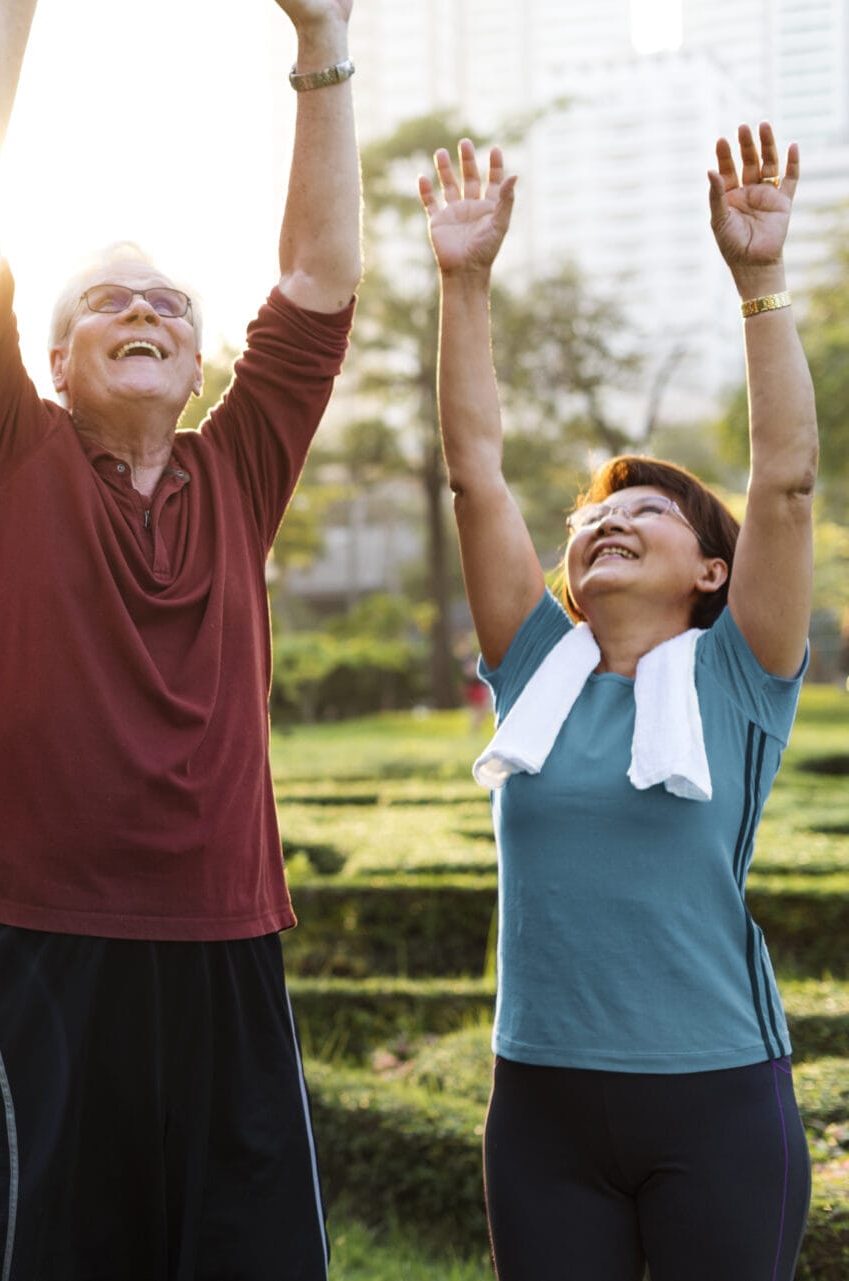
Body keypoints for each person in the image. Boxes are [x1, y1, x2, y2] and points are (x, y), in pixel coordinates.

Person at [0, 1, 361, 1275]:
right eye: (108, 299)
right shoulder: (0, 445)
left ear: (204, 358)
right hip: (26, 934)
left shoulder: (240, 469)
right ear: (52, 355)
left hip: (222, 934)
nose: (142, 306)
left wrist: (321, 41)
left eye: (168, 299)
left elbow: (321, 283)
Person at [422, 130, 814, 1277]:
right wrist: (463, 280)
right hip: (539, 1104)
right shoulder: (535, 665)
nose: (608, 520)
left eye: (650, 510)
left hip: (720, 1099)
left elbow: (786, 484)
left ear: (712, 573)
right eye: (595, 513)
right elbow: (474, 469)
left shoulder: (739, 670)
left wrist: (758, 284)